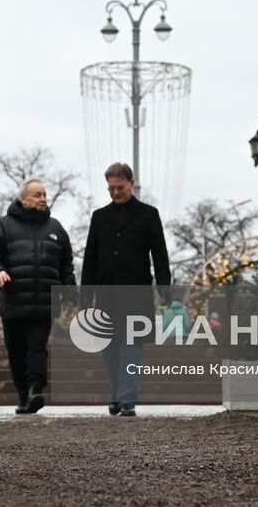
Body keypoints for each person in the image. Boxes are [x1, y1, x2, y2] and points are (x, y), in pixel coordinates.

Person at [80, 162, 171, 418]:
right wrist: (85, 295)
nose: (115, 193)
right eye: (111, 189)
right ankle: (117, 392)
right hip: (107, 292)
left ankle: (126, 399)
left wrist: (165, 288)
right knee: (109, 346)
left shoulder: (148, 214)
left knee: (132, 343)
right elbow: (90, 258)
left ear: (131, 183)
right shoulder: (99, 217)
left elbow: (160, 254)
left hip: (136, 292)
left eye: (119, 187)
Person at [0, 178, 76, 414]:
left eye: (44, 194)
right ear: (23, 198)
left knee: (37, 347)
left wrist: (70, 296)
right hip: (13, 302)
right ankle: (23, 392)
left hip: (44, 303)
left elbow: (66, 265)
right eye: (37, 195)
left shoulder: (56, 228)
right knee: (16, 351)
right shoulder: (4, 225)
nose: (43, 198)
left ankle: (36, 389)